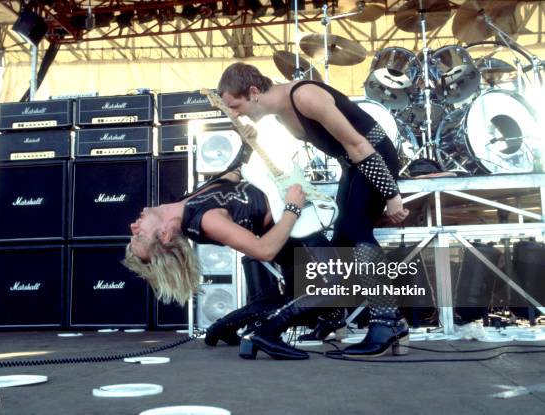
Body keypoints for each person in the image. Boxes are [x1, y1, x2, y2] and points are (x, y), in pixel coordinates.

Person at [217, 62, 411, 358]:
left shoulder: (305, 96)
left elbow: (358, 144)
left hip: (374, 158)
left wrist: (391, 194)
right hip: (353, 165)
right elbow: (260, 146)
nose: (236, 113)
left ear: (254, 92)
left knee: (358, 231)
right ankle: (337, 317)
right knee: (342, 245)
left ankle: (386, 322)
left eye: (236, 106)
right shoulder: (278, 113)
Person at [123, 167, 331, 358]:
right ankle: (265, 333)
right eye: (139, 236)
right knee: (338, 289)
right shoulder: (205, 220)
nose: (133, 226)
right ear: (165, 235)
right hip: (295, 229)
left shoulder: (185, 203)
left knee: (308, 300)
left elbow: (234, 175)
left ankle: (223, 327)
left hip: (294, 227)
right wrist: (292, 208)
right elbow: (265, 250)